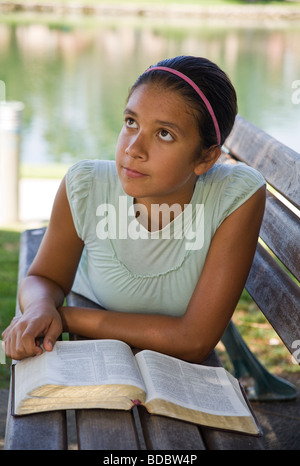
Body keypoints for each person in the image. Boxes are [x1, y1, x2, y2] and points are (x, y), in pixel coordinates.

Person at [2, 55, 266, 363]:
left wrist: (66, 317)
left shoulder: (235, 196)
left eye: (164, 133)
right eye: (131, 122)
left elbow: (194, 339)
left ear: (205, 159)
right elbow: (44, 278)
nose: (133, 149)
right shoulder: (86, 185)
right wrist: (39, 307)